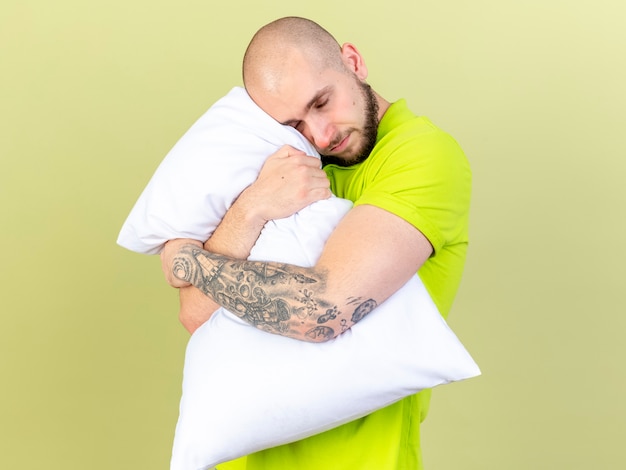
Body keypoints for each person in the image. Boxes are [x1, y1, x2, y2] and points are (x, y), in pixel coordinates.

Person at [161, 16, 471, 470]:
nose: (321, 135)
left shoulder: (423, 154)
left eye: (322, 102)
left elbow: (322, 312)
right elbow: (195, 314)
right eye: (296, 123)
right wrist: (251, 208)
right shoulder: (277, 166)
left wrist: (190, 262)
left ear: (353, 61)